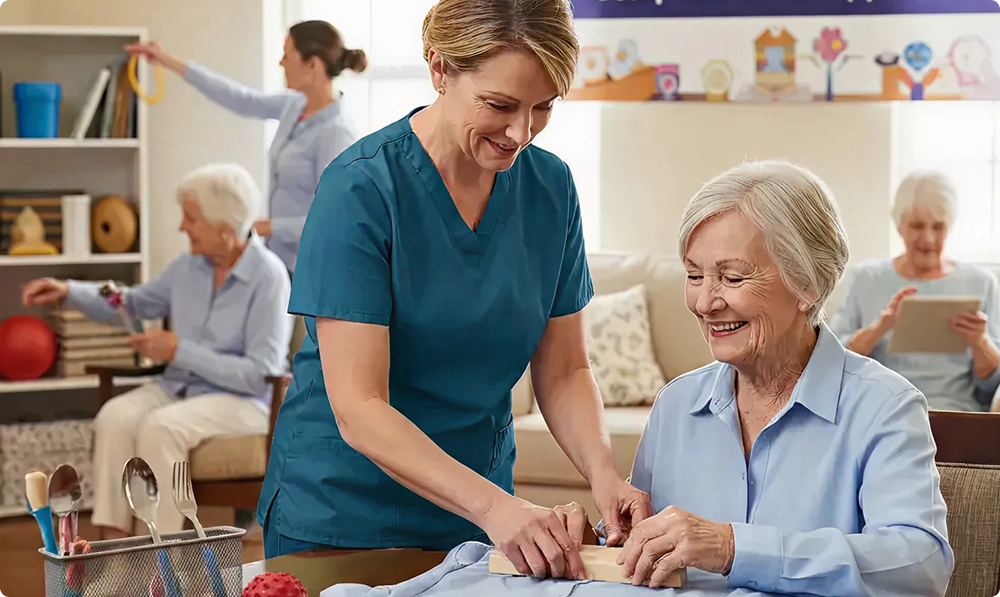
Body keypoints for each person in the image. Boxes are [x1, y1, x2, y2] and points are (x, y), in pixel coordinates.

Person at [258, 0, 651, 578]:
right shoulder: (361, 189)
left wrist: (603, 473)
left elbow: (565, 369)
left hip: (481, 526)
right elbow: (360, 407)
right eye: (499, 105)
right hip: (341, 517)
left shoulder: (551, 190)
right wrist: (497, 507)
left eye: (543, 107)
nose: (521, 132)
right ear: (439, 69)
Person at [553, 161, 953, 596]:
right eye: (693, 275)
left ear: (808, 285)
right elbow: (646, 554)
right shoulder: (675, 404)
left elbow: (920, 567)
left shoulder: (885, 406)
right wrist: (593, 543)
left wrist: (732, 548)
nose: (705, 302)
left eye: (732, 277)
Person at [22, 164, 292, 539]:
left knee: (161, 427)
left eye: (191, 219)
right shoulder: (186, 268)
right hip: (178, 389)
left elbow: (258, 373)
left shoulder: (270, 278)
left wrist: (180, 350)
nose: (182, 227)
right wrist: (69, 290)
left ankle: (161, 560)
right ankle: (116, 551)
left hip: (243, 402)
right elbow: (129, 302)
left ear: (225, 230)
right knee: (113, 417)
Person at [125, 20, 366, 359]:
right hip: (280, 259)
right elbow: (238, 98)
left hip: (313, 268)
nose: (281, 64)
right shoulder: (292, 107)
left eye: (287, 56)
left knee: (303, 365)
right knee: (273, 363)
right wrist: (167, 61)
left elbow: (337, 219)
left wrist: (271, 226)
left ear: (312, 65)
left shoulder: (337, 133)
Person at [829, 170, 1000, 412]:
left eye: (938, 227)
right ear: (899, 227)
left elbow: (991, 384)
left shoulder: (981, 283)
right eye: (917, 226)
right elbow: (832, 359)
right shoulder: (866, 278)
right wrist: (880, 328)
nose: (928, 239)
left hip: (955, 412)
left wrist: (979, 342)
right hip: (883, 411)